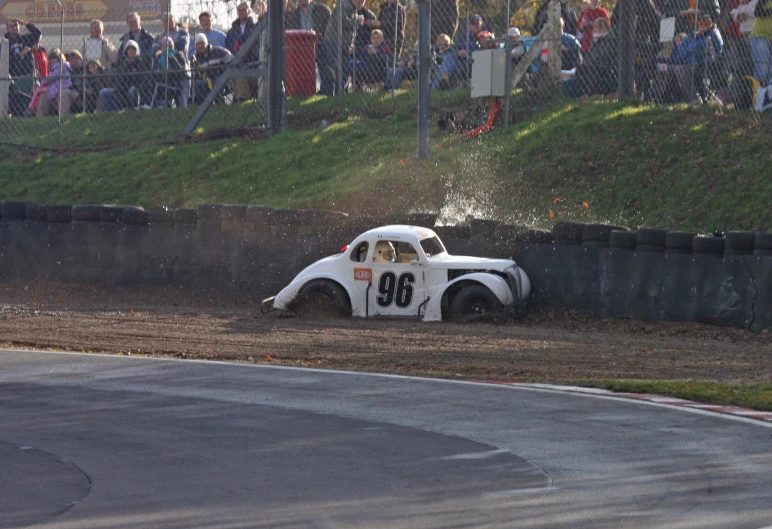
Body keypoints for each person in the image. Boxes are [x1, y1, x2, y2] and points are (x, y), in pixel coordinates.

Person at [320, 0, 360, 95]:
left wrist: (351, 44)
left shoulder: (353, 9)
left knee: (341, 69)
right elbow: (342, 22)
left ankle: (339, 94)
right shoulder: (345, 5)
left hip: (343, 44)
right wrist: (355, 21)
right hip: (334, 41)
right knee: (334, 69)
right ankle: (329, 94)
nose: (361, 2)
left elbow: (351, 32)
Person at [99, 40, 152, 111]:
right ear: (126, 51)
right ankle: (112, 112)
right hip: (121, 90)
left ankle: (132, 109)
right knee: (103, 92)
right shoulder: (122, 63)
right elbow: (118, 79)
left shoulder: (141, 62)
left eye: (133, 48)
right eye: (129, 49)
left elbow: (141, 80)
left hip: (135, 89)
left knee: (131, 90)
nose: (131, 50)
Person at [4, 18, 42, 116]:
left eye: (16, 25)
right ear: (7, 28)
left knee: (29, 98)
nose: (14, 28)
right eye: (11, 26)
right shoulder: (4, 43)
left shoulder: (26, 38)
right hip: (14, 76)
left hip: (28, 73)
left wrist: (25, 23)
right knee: (17, 100)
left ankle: (29, 116)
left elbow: (38, 33)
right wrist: (21, 54)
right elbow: (6, 60)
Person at [226, 2, 261, 101]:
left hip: (252, 63)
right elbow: (229, 48)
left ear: (249, 11)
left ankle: (243, 100)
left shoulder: (255, 27)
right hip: (235, 62)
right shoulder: (231, 32)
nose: (241, 12)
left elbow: (257, 48)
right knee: (232, 75)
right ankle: (238, 100)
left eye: (244, 10)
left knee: (241, 74)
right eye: (239, 10)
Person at [155, 13, 191, 107]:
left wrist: (165, 43)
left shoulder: (183, 33)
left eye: (170, 20)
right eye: (165, 21)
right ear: (163, 23)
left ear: (174, 20)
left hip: (182, 71)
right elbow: (154, 49)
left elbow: (182, 47)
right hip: (167, 73)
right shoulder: (161, 35)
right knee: (166, 102)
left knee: (182, 101)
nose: (168, 22)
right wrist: (164, 45)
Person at [576, 17, 617, 95]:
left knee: (591, 68)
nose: (595, 29)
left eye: (598, 27)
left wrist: (591, 61)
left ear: (604, 29)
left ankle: (590, 93)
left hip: (606, 65)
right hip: (593, 63)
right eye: (595, 27)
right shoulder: (596, 38)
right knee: (579, 68)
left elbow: (604, 53)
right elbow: (590, 53)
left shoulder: (610, 39)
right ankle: (581, 93)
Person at [35, 48, 78, 117]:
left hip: (67, 89)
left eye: (55, 57)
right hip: (56, 91)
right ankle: (40, 118)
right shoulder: (53, 68)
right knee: (44, 95)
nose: (53, 60)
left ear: (60, 58)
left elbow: (51, 77)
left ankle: (63, 119)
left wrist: (43, 82)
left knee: (62, 93)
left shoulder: (61, 66)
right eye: (51, 58)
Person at [191, 33, 234, 103]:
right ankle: (207, 105)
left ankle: (219, 102)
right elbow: (194, 75)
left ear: (207, 42)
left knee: (218, 81)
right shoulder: (196, 59)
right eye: (197, 44)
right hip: (206, 80)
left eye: (202, 43)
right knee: (198, 83)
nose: (200, 46)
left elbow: (232, 61)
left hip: (222, 77)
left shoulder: (220, 51)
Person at [152, 36, 187, 107]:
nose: (168, 49)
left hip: (176, 83)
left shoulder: (178, 55)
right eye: (166, 47)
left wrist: (172, 58)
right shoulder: (158, 57)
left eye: (170, 46)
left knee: (181, 91)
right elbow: (155, 72)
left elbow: (181, 71)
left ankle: (182, 108)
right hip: (162, 84)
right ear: (162, 48)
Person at [750, 0, 772, 83]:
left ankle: (768, 95)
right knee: (762, 69)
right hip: (760, 35)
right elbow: (757, 12)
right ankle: (758, 95)